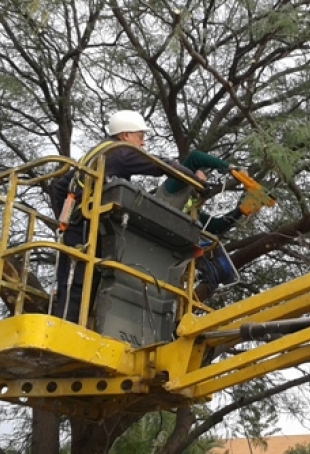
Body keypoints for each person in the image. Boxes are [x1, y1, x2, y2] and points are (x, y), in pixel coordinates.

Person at [50, 110, 247, 323]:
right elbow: (161, 164)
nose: (142, 143)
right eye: (140, 136)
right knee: (77, 281)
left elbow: (59, 186)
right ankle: (64, 326)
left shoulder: (98, 155)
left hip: (85, 225)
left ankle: (73, 323)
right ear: (125, 135)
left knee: (87, 278)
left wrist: (65, 220)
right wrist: (199, 181)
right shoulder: (120, 151)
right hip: (85, 227)